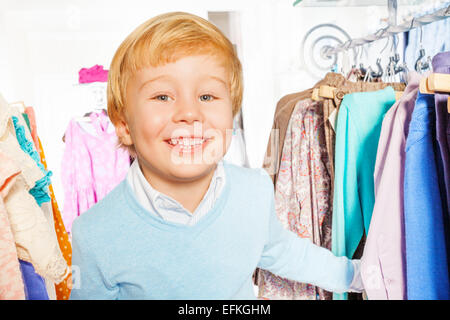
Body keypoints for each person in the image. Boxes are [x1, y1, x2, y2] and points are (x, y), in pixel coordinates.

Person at [69, 11, 363, 299]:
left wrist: (355, 276)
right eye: (162, 97)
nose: (189, 113)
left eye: (206, 96)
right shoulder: (95, 235)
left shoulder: (255, 191)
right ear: (123, 126)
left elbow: (281, 250)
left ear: (231, 115)